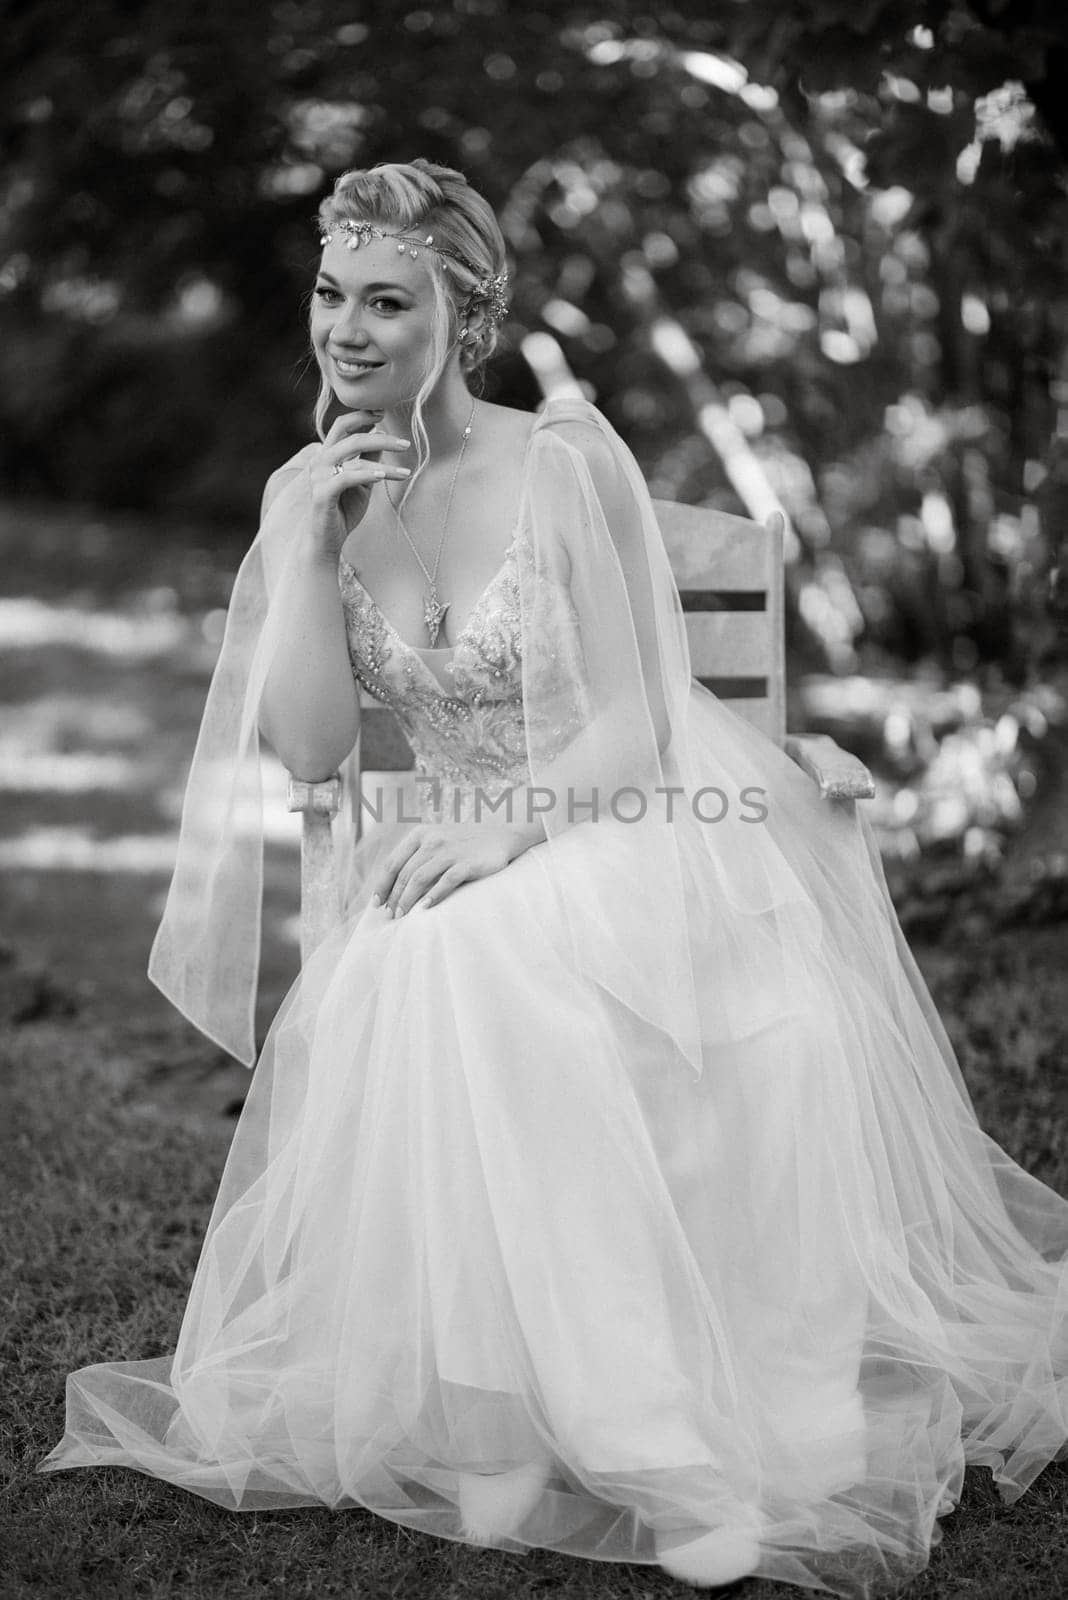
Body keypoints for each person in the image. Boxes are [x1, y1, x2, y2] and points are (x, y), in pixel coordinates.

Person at [39, 159, 1068, 1597]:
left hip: (630, 814)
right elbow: (317, 746)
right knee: (426, 952)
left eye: (388, 301)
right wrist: (291, 537)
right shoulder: (324, 496)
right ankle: (514, 1409)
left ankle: (661, 1441)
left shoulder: (563, 457)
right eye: (332, 295)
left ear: (462, 320)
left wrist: (511, 827)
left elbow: (642, 720)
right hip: (451, 839)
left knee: (483, 951)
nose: (347, 328)